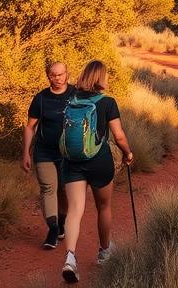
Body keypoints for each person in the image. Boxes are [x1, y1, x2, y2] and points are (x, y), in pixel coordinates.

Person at [58, 60, 133, 283]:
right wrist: (128, 153)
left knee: (74, 210)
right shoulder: (108, 103)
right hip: (99, 161)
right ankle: (104, 251)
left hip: (72, 162)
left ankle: (70, 257)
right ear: (101, 79)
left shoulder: (70, 100)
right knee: (104, 207)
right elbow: (118, 136)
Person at [22, 60, 73, 249]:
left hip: (69, 153)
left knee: (65, 190)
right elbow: (30, 127)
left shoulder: (75, 95)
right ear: (48, 76)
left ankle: (61, 222)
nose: (58, 78)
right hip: (44, 151)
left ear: (67, 74)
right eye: (54, 74)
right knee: (48, 189)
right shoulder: (41, 99)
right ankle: (52, 229)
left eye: (61, 74)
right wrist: (26, 153)